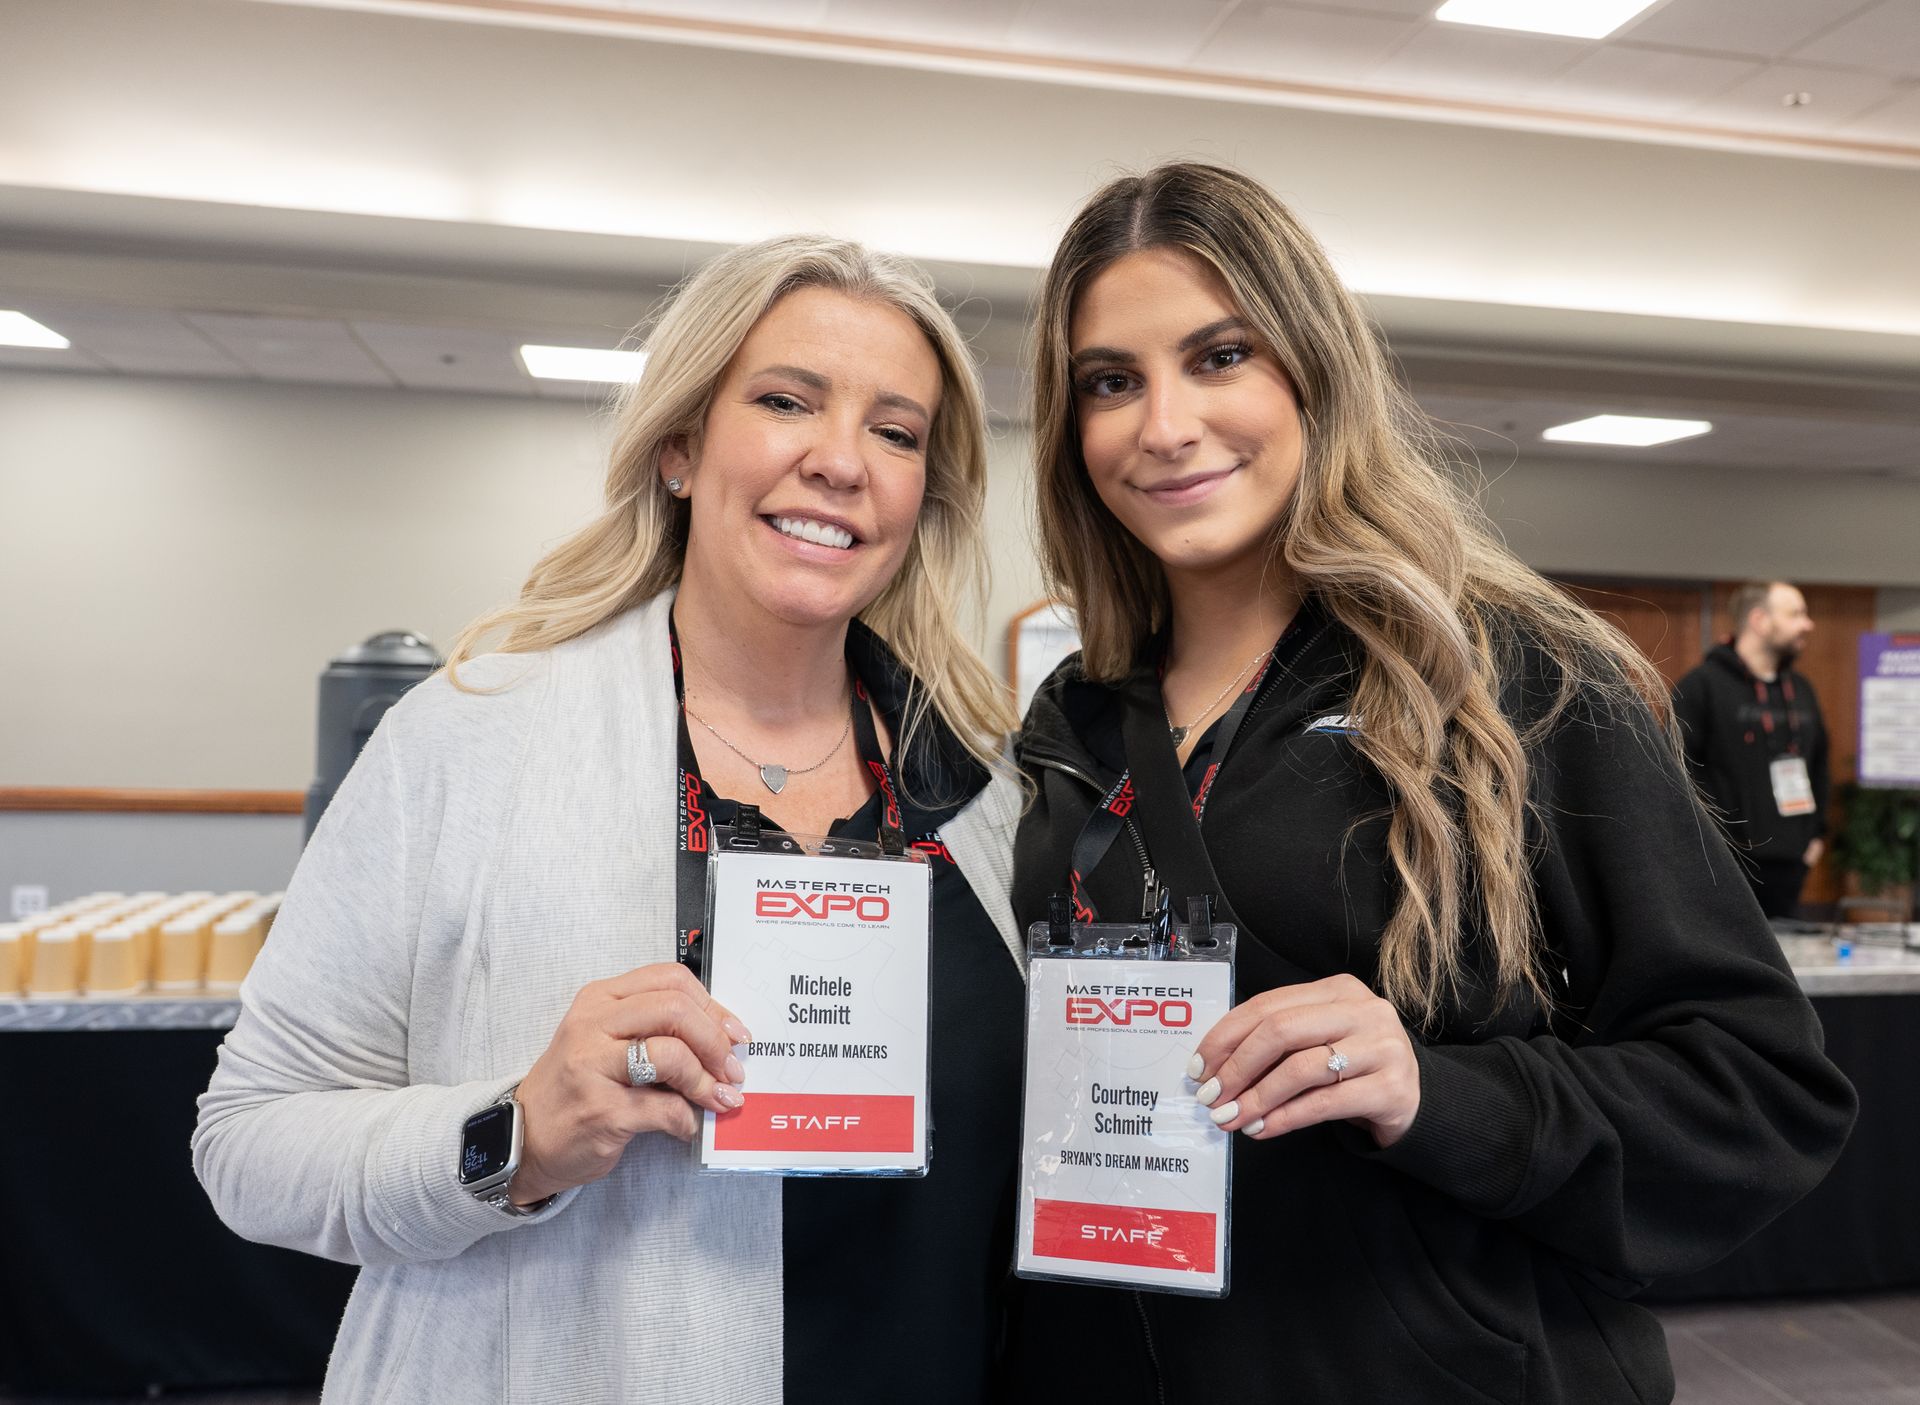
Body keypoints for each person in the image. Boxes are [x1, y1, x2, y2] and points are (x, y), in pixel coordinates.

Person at [1005, 162, 1855, 1405]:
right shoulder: (1074, 719)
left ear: (1314, 368)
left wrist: (1431, 1090)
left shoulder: (1519, 677)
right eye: (1111, 382)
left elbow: (1759, 1090)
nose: (1165, 423)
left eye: (1221, 355)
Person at [193, 235, 1026, 1404]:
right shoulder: (470, 737)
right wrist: (514, 1137)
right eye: (787, 400)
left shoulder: (989, 795)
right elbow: (249, 1142)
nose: (841, 461)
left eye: (895, 431)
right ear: (681, 445)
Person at [1674, 581, 1830, 918]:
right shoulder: (1702, 686)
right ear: (1759, 620)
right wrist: (1712, 843)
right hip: (1725, 863)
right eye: (1796, 614)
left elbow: (1819, 763)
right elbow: (1676, 768)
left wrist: (1814, 838)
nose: (1808, 623)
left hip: (1791, 863)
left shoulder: (1801, 689)